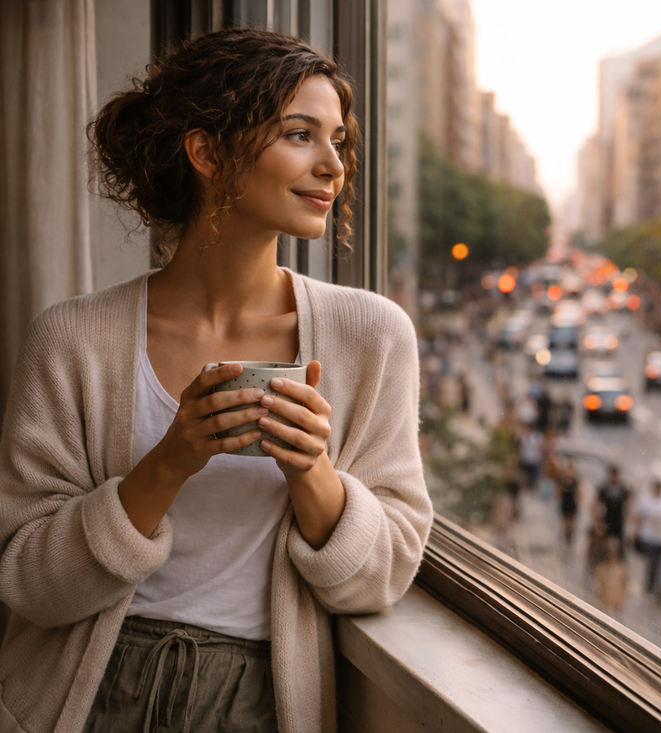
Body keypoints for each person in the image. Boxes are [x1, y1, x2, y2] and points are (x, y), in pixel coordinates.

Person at [0, 29, 432, 733]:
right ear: (206, 152)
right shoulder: (71, 338)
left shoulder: (373, 335)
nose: (333, 166)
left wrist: (311, 469)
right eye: (301, 134)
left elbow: (384, 572)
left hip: (258, 700)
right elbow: (23, 577)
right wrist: (169, 461)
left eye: (339, 142)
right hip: (79, 694)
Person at [632, 480, 661, 594]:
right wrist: (637, 532)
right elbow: (640, 517)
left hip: (660, 538)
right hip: (647, 536)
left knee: (655, 563)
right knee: (650, 561)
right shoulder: (646, 499)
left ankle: (650, 586)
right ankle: (647, 585)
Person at [594, 540, 629, 617]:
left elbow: (625, 584)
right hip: (605, 603)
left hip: (617, 602)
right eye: (610, 554)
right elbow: (598, 586)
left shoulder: (622, 569)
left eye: (614, 554)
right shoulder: (601, 568)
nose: (612, 556)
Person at [596, 465, 631, 543]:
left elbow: (628, 503)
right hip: (607, 518)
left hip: (619, 518)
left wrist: (627, 516)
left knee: (618, 541)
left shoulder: (623, 488)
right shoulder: (605, 488)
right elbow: (598, 503)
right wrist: (598, 518)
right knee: (607, 541)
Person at [556, 460, 580, 545]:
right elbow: (558, 494)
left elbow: (579, 493)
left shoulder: (575, 481)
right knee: (566, 522)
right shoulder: (562, 481)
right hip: (565, 503)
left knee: (572, 523)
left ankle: (571, 537)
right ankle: (566, 538)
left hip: (572, 503)